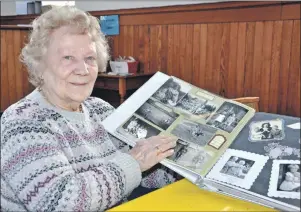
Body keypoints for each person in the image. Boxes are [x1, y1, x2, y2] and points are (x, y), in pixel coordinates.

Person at [0, 6, 177, 211]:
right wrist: (134, 163)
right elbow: (59, 204)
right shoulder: (22, 123)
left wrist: (184, 162)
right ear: (40, 65)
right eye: (68, 58)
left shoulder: (100, 110)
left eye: (89, 58)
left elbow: (144, 174)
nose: (83, 70)